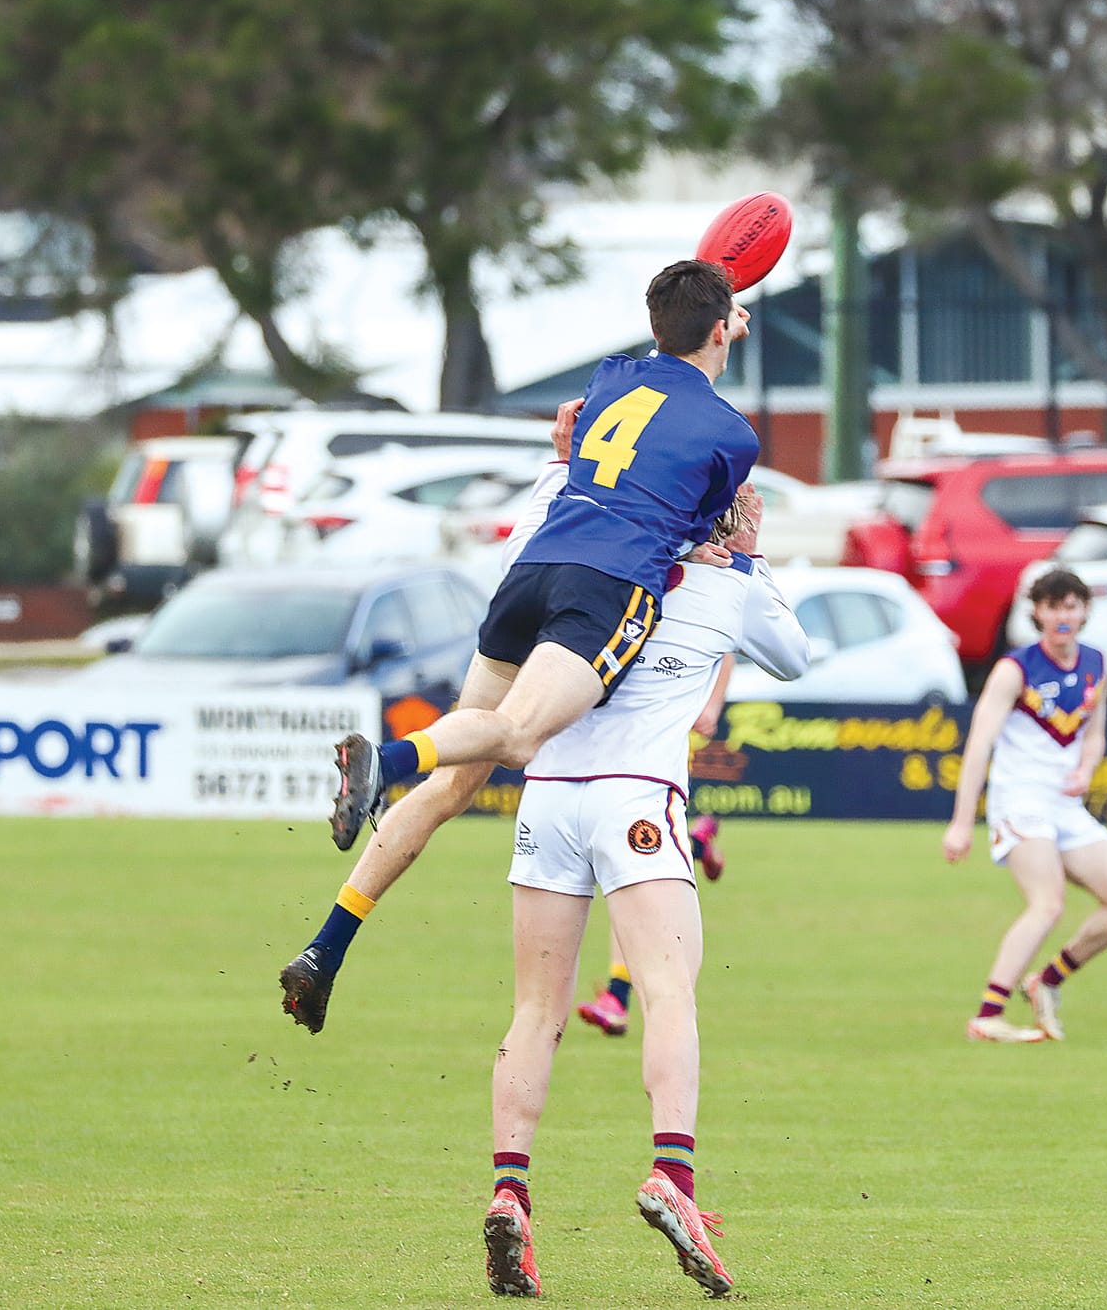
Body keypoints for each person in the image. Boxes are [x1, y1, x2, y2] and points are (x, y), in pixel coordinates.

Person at [479, 481, 807, 1297]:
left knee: (534, 1009)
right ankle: (673, 1176)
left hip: (549, 793)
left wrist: (558, 471)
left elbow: (512, 565)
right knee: (668, 994)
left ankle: (510, 1190)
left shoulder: (586, 562)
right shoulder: (727, 585)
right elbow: (796, 654)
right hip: (637, 799)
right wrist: (751, 550)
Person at [325, 259, 758, 853]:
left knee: (459, 777)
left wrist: (706, 319)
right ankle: (388, 758)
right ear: (721, 331)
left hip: (534, 567)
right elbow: (700, 524)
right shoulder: (735, 434)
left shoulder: (611, 376)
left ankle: (326, 945)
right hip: (607, 580)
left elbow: (662, 380)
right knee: (518, 737)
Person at [941, 568, 1107, 1043]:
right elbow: (979, 745)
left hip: (1063, 805)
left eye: (1072, 606)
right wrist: (960, 823)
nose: (1063, 616)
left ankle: (1047, 980)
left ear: (1084, 612)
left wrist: (1086, 770)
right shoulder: (1015, 669)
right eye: (1053, 606)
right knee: (1047, 903)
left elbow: (1093, 735)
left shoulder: (1097, 663)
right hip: (1019, 800)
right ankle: (987, 1015)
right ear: (1037, 612)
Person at [579, 662, 731, 1039]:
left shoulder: (688, 603)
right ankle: (696, 843)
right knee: (629, 871)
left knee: (629, 874)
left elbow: (729, 639)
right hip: (618, 743)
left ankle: (617, 998)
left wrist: (711, 707)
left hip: (656, 745)